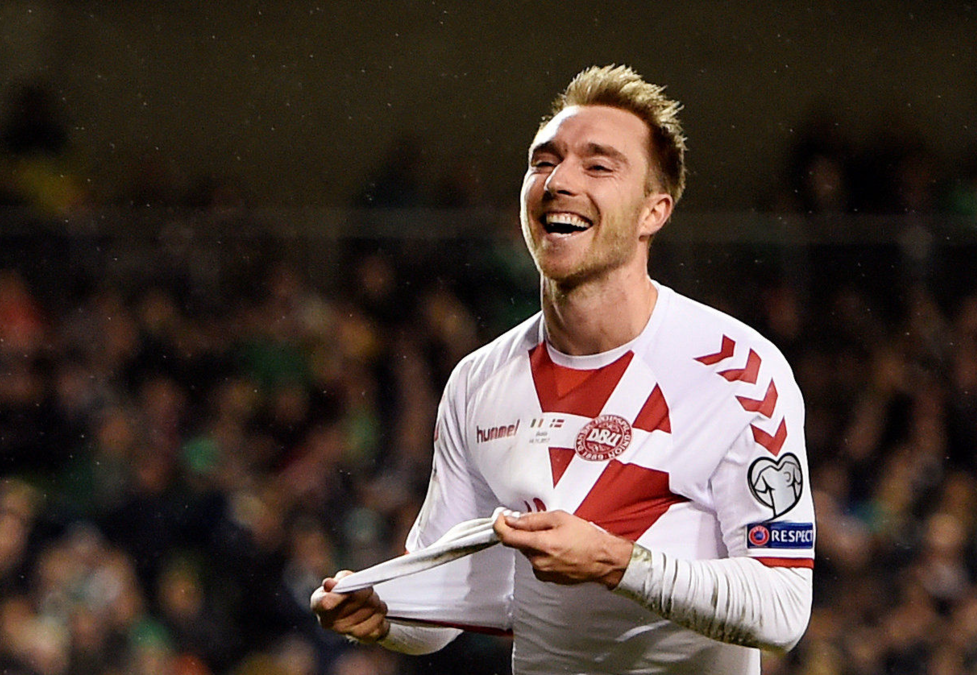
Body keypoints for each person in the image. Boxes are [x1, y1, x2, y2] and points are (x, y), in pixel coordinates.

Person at [312, 65, 814, 674]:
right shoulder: (478, 382)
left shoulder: (740, 373)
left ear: (653, 212)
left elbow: (783, 610)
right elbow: (445, 609)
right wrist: (387, 612)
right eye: (544, 162)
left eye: (598, 166)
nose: (559, 181)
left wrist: (615, 563)